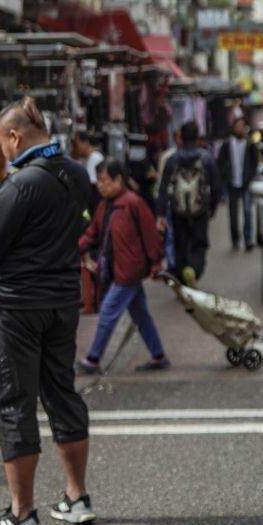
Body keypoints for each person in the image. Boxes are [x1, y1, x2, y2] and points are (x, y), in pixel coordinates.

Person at [0, 97, 95, 525]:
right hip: (61, 299)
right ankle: (77, 497)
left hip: (15, 306)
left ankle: (22, 513)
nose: (2, 152)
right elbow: (78, 225)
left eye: (2, 143)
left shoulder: (20, 184)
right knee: (62, 392)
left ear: (14, 136)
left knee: (12, 401)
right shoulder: (77, 174)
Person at [77, 159, 168, 374]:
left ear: (118, 180)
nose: (100, 185)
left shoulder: (133, 203)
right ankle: (158, 355)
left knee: (108, 312)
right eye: (99, 181)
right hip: (120, 270)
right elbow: (92, 234)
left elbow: (150, 235)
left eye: (105, 181)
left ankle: (93, 359)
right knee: (140, 315)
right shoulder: (105, 206)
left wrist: (156, 263)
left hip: (128, 271)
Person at [157, 120, 221, 286]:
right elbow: (216, 187)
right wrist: (212, 208)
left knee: (180, 246)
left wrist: (161, 213)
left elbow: (163, 188)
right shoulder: (206, 159)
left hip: (178, 212)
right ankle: (193, 270)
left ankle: (183, 276)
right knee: (199, 245)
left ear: (181, 137)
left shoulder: (172, 160)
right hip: (200, 212)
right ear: (197, 136)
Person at [218, 116, 261, 251]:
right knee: (233, 213)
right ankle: (235, 239)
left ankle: (248, 239)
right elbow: (221, 162)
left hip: (245, 183)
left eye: (242, 126)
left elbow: (255, 162)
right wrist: (224, 176)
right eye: (238, 126)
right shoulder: (227, 144)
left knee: (248, 211)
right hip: (232, 183)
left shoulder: (250, 144)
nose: (240, 129)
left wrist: (251, 176)